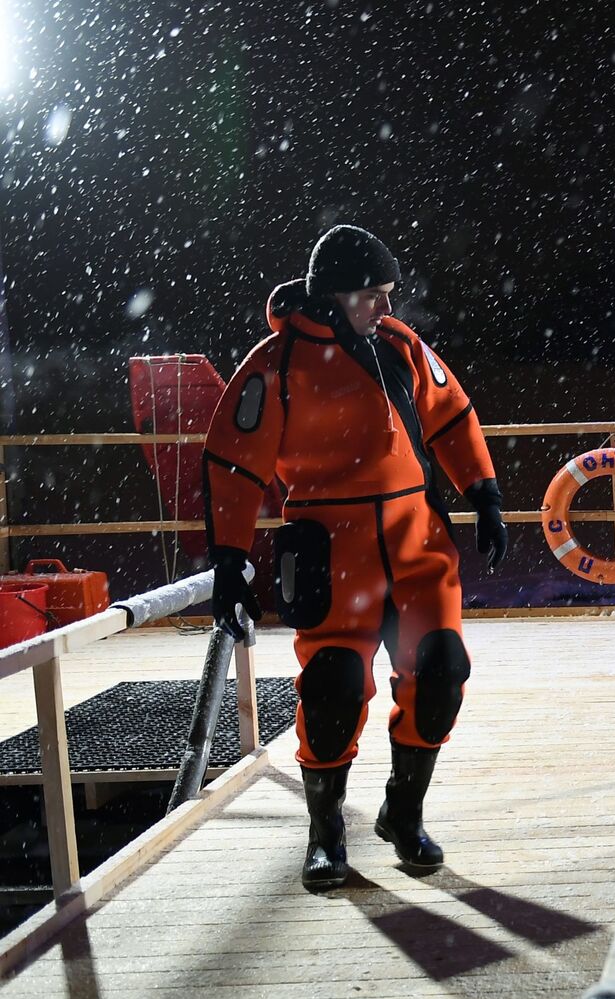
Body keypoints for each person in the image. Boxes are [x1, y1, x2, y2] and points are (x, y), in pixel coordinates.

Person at [203, 225, 508, 889]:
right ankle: (325, 833)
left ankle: (404, 813)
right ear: (334, 294)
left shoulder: (398, 346)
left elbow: (450, 414)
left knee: (440, 671)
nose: (386, 307)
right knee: (333, 689)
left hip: (417, 543)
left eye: (389, 293)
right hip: (330, 549)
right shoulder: (277, 364)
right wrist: (228, 559)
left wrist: (483, 492)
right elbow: (234, 463)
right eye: (373, 294)